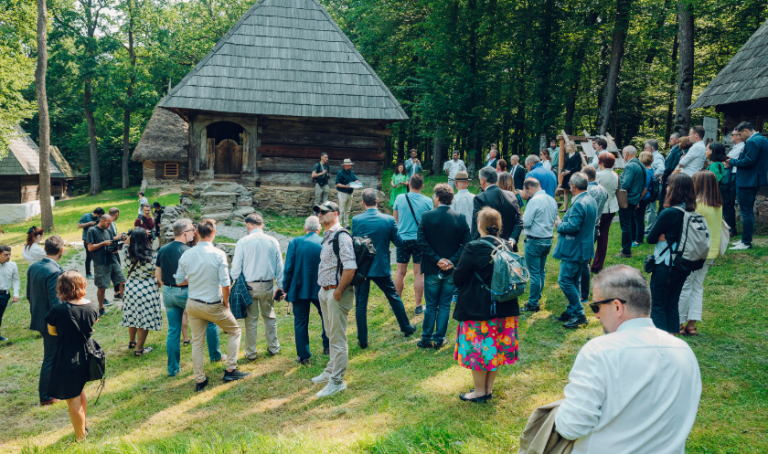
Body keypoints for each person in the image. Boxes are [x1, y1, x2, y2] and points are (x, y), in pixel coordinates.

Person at [554, 265, 701, 454]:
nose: (596, 315)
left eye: (596, 306)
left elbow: (570, 426)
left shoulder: (600, 351)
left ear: (617, 306)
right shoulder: (685, 352)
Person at [452, 207, 520, 403]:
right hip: (505, 305)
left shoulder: (473, 247)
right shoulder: (507, 246)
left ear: (479, 225)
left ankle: (480, 391)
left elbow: (459, 277)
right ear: (498, 226)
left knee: (479, 350)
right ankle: (488, 389)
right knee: (495, 349)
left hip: (479, 308)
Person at [174, 219, 249, 391]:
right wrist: (226, 301)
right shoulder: (218, 254)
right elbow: (225, 282)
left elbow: (178, 281)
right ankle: (230, 368)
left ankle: (200, 380)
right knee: (235, 331)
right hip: (213, 303)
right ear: (214, 233)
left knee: (197, 343)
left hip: (193, 303)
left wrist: (193, 278)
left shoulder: (186, 254)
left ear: (198, 234)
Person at [156, 219, 222, 377]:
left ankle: (173, 369)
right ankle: (215, 356)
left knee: (173, 330)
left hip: (167, 291)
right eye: (192, 231)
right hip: (186, 292)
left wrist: (168, 286)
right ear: (184, 233)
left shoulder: (162, 249)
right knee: (210, 322)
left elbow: (158, 275)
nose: (195, 233)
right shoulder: (188, 251)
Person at [353, 189, 417, 347]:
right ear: (377, 201)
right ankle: (406, 327)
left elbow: (354, 243)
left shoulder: (356, 220)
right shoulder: (388, 220)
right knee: (394, 298)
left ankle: (362, 340)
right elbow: (399, 242)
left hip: (362, 268)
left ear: (363, 203)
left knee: (361, 303)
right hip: (381, 265)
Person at [45, 271, 99, 442]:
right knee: (79, 389)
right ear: (82, 285)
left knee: (72, 397)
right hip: (88, 352)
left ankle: (80, 437)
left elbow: (52, 332)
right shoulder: (92, 305)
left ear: (62, 288)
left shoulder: (58, 310)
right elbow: (92, 324)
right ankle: (82, 428)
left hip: (68, 355)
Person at [416, 184, 471, 349]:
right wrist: (451, 261)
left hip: (433, 268)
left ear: (438, 198)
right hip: (450, 270)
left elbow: (421, 242)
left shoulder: (426, 216)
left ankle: (426, 338)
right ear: (451, 200)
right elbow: (466, 243)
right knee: (445, 304)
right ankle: (439, 338)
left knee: (431, 304)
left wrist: (436, 260)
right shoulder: (460, 218)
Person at [312, 201, 357, 397]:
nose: (319, 215)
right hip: (325, 292)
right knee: (331, 334)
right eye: (318, 212)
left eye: (323, 212)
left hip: (336, 293)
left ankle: (337, 381)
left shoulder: (342, 236)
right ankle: (331, 370)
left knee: (338, 338)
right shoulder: (327, 236)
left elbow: (350, 267)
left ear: (335, 214)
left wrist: (338, 291)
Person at [646, 173, 697, 333]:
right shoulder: (691, 212)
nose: (666, 188)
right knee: (672, 303)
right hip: (683, 263)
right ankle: (673, 339)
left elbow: (651, 237)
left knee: (658, 305)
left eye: (669, 186)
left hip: (666, 264)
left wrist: (660, 235)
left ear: (674, 190)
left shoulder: (669, 213)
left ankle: (661, 342)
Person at [230, 213, 284, 360]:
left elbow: (235, 267)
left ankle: (251, 353)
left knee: (251, 321)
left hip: (249, 287)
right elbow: (280, 267)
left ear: (248, 225)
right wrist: (280, 286)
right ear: (262, 225)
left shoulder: (243, 241)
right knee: (270, 317)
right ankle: (274, 347)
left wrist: (234, 282)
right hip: (268, 285)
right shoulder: (273, 241)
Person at [678, 171, 722, 336]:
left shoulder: (696, 205)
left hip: (694, 251)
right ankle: (692, 324)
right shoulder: (717, 205)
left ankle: (679, 322)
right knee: (697, 287)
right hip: (711, 251)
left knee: (685, 286)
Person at [283, 216, 329, 365]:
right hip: (320, 286)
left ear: (305, 228)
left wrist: (286, 287)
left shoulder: (295, 242)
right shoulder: (324, 242)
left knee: (301, 321)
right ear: (319, 229)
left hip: (299, 287)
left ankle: (303, 356)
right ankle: (327, 346)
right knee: (326, 317)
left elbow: (289, 267)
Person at [553, 173, 597, 329]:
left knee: (565, 281)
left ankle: (578, 313)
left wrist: (559, 225)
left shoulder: (579, 203)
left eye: (570, 184)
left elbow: (572, 227)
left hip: (574, 248)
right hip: (584, 247)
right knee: (574, 280)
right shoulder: (590, 199)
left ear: (574, 186)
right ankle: (572, 310)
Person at [27, 236, 64, 404]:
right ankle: (46, 396)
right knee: (51, 357)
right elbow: (55, 301)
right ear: (61, 250)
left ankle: (56, 388)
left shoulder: (33, 266)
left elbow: (29, 294)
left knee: (54, 355)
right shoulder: (55, 271)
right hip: (51, 322)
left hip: (38, 316)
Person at [393, 174, 433, 314]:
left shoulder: (399, 198)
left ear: (409, 184)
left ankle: (397, 304)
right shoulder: (428, 201)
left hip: (402, 239)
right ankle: (418, 305)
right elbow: (429, 223)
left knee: (400, 272)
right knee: (418, 274)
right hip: (419, 241)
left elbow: (395, 220)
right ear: (422, 186)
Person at [120, 228, 163, 357]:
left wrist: (134, 234)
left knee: (133, 315)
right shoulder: (153, 255)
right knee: (144, 319)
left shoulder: (126, 252)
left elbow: (126, 243)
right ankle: (139, 349)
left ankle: (132, 341)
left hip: (131, 287)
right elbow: (157, 274)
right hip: (148, 288)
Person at [727, 121, 768, 250]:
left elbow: (749, 161)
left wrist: (732, 161)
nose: (740, 137)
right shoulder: (763, 140)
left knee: (746, 212)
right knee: (748, 211)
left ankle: (746, 242)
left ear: (746, 131)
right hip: (754, 180)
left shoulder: (752, 141)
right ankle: (745, 240)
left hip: (747, 181)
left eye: (740, 134)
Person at [519, 178, 557, 313]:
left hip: (535, 239)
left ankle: (533, 303)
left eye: (525, 190)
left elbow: (527, 222)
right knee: (541, 271)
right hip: (547, 238)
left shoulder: (534, 201)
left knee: (534, 273)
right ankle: (537, 295)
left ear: (530, 188)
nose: (526, 194)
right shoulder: (551, 199)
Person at [471, 166, 523, 244]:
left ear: (483, 180)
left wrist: (474, 244)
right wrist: (512, 239)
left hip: (488, 246)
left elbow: (477, 224)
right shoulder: (511, 195)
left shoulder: (480, 198)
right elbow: (519, 221)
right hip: (508, 246)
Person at [86, 214, 125, 316]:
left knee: (122, 280)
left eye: (110, 223)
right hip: (100, 262)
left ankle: (125, 305)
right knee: (102, 287)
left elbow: (111, 242)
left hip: (112, 259)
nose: (109, 225)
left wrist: (116, 244)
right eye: (108, 223)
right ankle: (101, 308)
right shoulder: (92, 231)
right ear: (102, 221)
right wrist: (103, 243)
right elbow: (90, 247)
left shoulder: (108, 230)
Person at [580, 166, 608, 304]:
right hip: (597, 225)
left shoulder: (586, 191)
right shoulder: (603, 190)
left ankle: (582, 291)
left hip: (586, 227)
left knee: (582, 261)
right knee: (585, 259)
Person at [615, 146, 646, 258]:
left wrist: (619, 183)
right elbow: (644, 183)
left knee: (625, 225)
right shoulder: (640, 164)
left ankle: (626, 251)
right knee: (629, 223)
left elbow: (626, 184)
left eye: (623, 154)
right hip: (635, 198)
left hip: (627, 199)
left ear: (627, 154)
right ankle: (627, 246)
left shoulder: (629, 166)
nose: (623, 156)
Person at [592, 153, 619, 273]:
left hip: (599, 208)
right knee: (603, 236)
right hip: (611, 207)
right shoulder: (615, 175)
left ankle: (587, 262)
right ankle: (598, 265)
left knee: (591, 235)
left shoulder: (598, 175)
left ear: (601, 163)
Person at [631, 151, 655, 247]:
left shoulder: (646, 171)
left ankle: (638, 240)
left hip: (643, 197)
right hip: (645, 197)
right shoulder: (650, 169)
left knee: (639, 219)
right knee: (636, 217)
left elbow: (645, 188)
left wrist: (638, 200)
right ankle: (634, 237)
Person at [642, 139, 665, 236]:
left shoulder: (657, 157)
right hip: (653, 185)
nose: (644, 149)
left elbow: (662, 168)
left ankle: (649, 228)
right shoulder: (654, 156)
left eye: (645, 148)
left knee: (651, 208)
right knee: (649, 207)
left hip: (655, 186)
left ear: (651, 148)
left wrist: (653, 176)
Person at [724, 129, 744, 236]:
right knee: (727, 203)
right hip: (730, 175)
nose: (730, 136)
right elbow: (726, 160)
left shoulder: (741, 147)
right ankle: (729, 227)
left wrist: (727, 161)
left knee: (728, 202)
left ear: (739, 136)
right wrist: (726, 160)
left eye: (732, 135)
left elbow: (728, 161)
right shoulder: (735, 148)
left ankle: (731, 229)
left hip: (734, 176)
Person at [659, 132, 683, 215]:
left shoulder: (678, 150)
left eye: (672, 139)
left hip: (669, 176)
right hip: (666, 175)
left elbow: (671, 165)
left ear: (677, 140)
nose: (669, 140)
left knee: (665, 196)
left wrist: (665, 173)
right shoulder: (673, 149)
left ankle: (662, 213)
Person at [78, 207, 105, 279]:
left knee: (97, 256)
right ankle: (88, 273)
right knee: (89, 256)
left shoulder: (99, 218)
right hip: (87, 240)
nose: (99, 217)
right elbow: (79, 225)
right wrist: (89, 223)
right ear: (96, 213)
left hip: (96, 240)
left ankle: (98, 272)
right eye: (99, 216)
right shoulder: (86, 216)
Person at [335, 159, 360, 228]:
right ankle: (339, 224)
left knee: (348, 210)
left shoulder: (351, 172)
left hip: (350, 193)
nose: (350, 166)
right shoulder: (340, 173)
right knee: (342, 210)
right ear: (345, 166)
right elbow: (337, 184)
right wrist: (345, 186)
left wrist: (357, 181)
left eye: (351, 165)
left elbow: (355, 179)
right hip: (343, 193)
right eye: (349, 165)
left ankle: (346, 224)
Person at [106, 207, 124, 301]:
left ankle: (117, 292)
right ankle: (117, 292)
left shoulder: (112, 223)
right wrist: (117, 237)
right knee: (115, 271)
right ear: (117, 214)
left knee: (116, 270)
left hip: (115, 249)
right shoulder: (108, 223)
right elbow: (108, 237)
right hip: (110, 251)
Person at [560, 142, 582, 211]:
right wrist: (563, 172)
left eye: (568, 145)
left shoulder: (577, 155)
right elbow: (564, 165)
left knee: (573, 191)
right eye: (567, 146)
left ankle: (573, 207)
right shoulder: (567, 155)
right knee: (565, 191)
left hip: (573, 174)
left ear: (572, 146)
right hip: (566, 175)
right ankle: (565, 208)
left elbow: (577, 166)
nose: (567, 147)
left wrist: (569, 171)